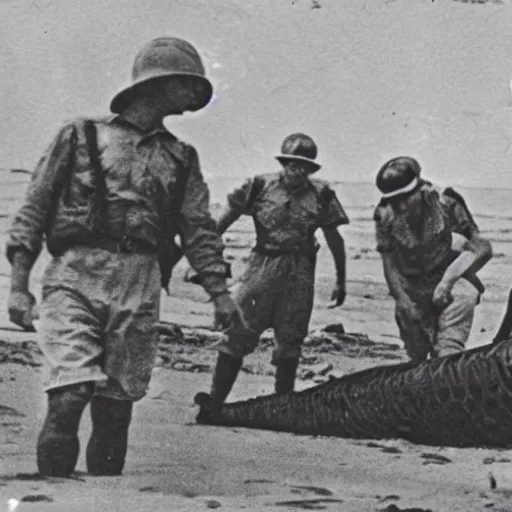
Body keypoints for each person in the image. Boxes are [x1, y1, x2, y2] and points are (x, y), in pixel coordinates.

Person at [6, 36, 237, 478]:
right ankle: (51, 497)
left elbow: (199, 231)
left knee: (115, 407)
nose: (195, 96)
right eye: (189, 85)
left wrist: (220, 294)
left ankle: (106, 500)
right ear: (161, 83)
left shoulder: (180, 156)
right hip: (74, 273)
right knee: (69, 394)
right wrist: (18, 288)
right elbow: (33, 211)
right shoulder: (80, 135)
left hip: (140, 279)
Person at [202, 133, 349, 404]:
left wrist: (341, 279)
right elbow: (225, 219)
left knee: (291, 335)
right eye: (294, 164)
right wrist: (207, 254)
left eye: (305, 166)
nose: (299, 171)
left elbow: (334, 238)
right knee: (239, 328)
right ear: (284, 163)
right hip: (262, 265)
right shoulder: (260, 186)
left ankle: (283, 404)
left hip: (300, 269)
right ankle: (215, 399)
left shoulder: (322, 194)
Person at [373, 156, 492, 363]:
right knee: (416, 356)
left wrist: (448, 280)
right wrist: (402, 300)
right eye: (394, 200)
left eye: (405, 197)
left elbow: (483, 248)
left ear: (420, 190)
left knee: (448, 352)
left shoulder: (447, 204)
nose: (400, 205)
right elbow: (389, 265)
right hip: (410, 288)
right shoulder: (385, 215)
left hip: (449, 284)